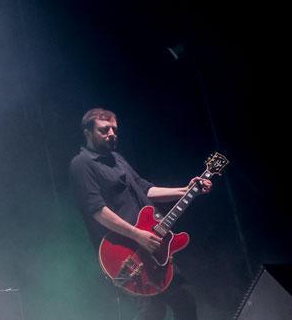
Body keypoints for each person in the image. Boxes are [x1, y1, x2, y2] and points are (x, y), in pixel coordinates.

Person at [69, 108, 212, 319]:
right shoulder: (81, 164)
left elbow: (146, 190)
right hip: (126, 254)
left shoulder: (117, 159)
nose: (111, 134)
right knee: (152, 311)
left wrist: (187, 189)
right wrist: (138, 235)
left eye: (114, 129)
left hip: (152, 249)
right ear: (87, 133)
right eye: (104, 129)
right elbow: (98, 211)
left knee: (185, 299)